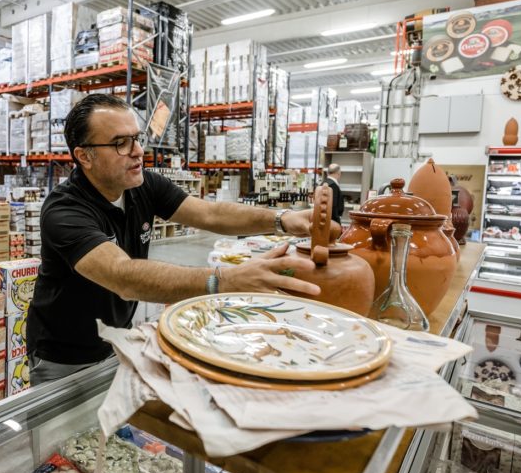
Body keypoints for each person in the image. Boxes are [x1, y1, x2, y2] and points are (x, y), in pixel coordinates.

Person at [26, 93, 320, 385]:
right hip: (62, 357)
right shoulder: (64, 210)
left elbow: (211, 214)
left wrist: (281, 220)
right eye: (121, 143)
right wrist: (224, 281)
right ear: (84, 156)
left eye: (137, 138)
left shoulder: (143, 184)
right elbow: (123, 277)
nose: (138, 150)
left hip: (115, 340)